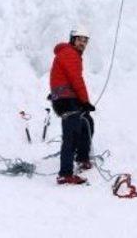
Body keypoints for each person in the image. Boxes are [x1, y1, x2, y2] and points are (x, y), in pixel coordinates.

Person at [49, 26, 95, 185]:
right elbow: (76, 79)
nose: (83, 43)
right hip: (66, 100)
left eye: (85, 40)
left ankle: (82, 158)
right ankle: (65, 173)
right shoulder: (70, 54)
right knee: (72, 134)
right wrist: (86, 101)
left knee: (86, 122)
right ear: (73, 39)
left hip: (66, 98)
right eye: (80, 39)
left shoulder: (69, 53)